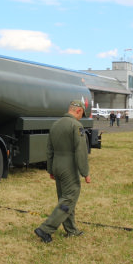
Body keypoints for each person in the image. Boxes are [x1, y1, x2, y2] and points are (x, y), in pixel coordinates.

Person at [34, 101, 91, 243]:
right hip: (69, 167)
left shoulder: (56, 124)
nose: (81, 117)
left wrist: (51, 169)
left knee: (64, 199)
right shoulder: (76, 126)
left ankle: (71, 230)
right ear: (78, 111)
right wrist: (85, 172)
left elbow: (49, 149)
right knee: (69, 199)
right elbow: (81, 151)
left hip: (57, 166)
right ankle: (46, 229)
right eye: (81, 114)